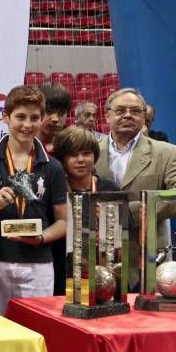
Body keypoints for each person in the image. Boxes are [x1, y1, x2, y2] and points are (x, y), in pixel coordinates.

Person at [0, 86, 68, 315]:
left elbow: (63, 223)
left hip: (38, 264)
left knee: (37, 331)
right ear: (5, 117)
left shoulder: (53, 167)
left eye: (34, 118)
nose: (27, 124)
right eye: (20, 117)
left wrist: (42, 237)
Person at [95, 88, 176, 285]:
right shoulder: (90, 152)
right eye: (121, 110)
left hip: (149, 255)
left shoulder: (166, 152)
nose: (128, 115)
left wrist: (132, 210)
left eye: (135, 111)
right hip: (101, 256)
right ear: (107, 116)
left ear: (144, 117)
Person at [51, 126, 120, 295]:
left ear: (95, 156)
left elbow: (118, 240)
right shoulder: (55, 192)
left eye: (86, 154)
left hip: (102, 273)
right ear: (62, 158)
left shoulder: (109, 189)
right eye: (73, 155)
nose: (81, 159)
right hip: (62, 272)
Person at [36, 82, 72, 155]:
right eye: (49, 111)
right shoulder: (22, 146)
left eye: (61, 113)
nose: (55, 119)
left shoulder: (72, 147)